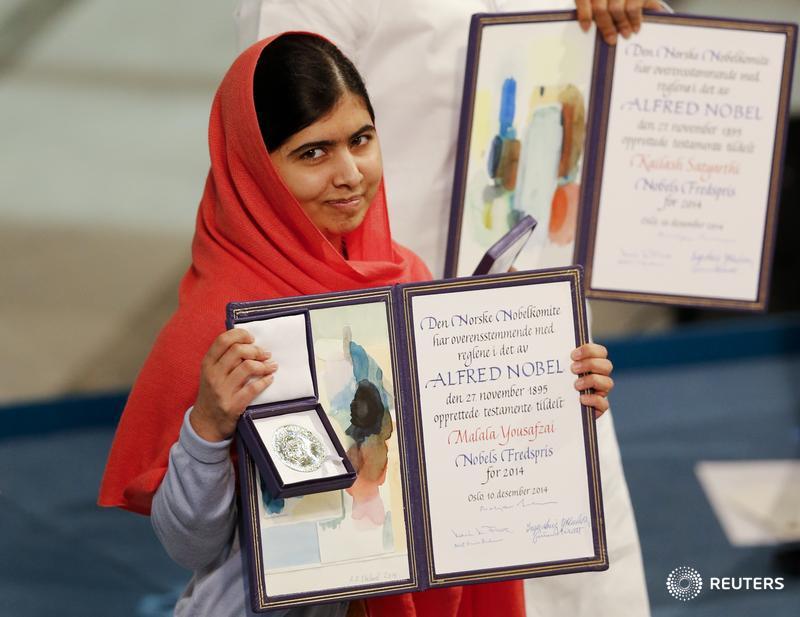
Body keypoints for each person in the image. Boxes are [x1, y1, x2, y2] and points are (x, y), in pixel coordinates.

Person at [98, 33, 616, 617]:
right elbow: (188, 544)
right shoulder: (220, 327)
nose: (349, 173)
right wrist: (208, 428)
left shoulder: (403, 276)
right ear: (253, 171)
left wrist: (548, 396)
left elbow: (457, 464)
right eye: (312, 153)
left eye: (361, 140)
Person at [234, 2, 665, 616]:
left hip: (535, 319)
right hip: (385, 340)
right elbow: (268, 142)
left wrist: (636, 23)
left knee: (571, 566)